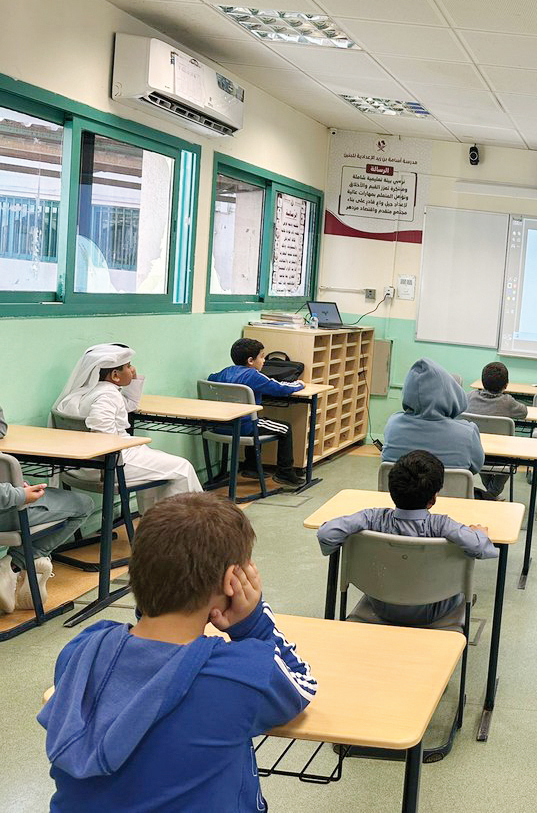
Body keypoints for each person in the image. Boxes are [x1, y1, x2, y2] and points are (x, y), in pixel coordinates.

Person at [38, 493, 316, 811]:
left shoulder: (83, 650)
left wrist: (154, 602)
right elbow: (302, 684)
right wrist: (253, 624)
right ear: (231, 582)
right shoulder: (240, 674)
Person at [316, 450, 497, 625]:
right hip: (434, 611)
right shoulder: (442, 525)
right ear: (433, 499)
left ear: (391, 492)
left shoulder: (372, 518)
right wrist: (480, 533)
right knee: (460, 591)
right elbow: (480, 548)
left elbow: (326, 534)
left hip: (382, 605)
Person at [52, 344, 203, 511]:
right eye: (128, 366)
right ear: (115, 375)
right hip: (109, 465)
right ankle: (189, 523)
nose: (132, 369)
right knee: (182, 468)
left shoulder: (84, 393)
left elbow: (129, 405)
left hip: (78, 467)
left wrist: (133, 380)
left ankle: (154, 521)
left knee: (159, 466)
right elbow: (101, 434)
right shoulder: (108, 395)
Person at [0, 405, 94, 614]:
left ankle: (17, 566)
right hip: (7, 513)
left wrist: (15, 485)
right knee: (84, 505)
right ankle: (15, 565)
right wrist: (19, 494)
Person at [207, 337, 305, 487]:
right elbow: (280, 388)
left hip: (221, 425)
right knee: (284, 428)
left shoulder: (224, 373)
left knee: (257, 420)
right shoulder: (254, 375)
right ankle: (285, 473)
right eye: (262, 356)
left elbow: (210, 379)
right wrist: (299, 384)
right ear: (251, 361)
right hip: (244, 427)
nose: (264, 361)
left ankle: (251, 467)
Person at [382, 358, 485, 474]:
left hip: (401, 486)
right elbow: (476, 467)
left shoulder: (393, 426)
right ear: (450, 392)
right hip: (448, 487)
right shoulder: (467, 433)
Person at [466, 361, 528, 498]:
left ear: (482, 382)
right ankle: (491, 494)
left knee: (482, 450)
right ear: (506, 385)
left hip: (474, 453)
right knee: (512, 455)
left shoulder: (469, 397)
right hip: (503, 457)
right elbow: (524, 412)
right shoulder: (508, 402)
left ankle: (489, 494)